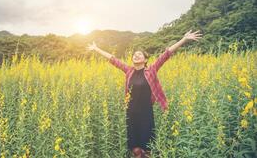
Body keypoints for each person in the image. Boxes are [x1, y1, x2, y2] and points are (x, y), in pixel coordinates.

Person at [87, 30, 203, 158]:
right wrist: (96, 49)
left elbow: (166, 54)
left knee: (148, 149)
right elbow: (113, 59)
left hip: (146, 113)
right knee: (135, 150)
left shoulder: (151, 70)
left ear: (145, 59)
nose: (136, 56)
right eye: (134, 55)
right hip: (131, 113)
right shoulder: (128, 71)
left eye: (139, 55)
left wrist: (184, 39)